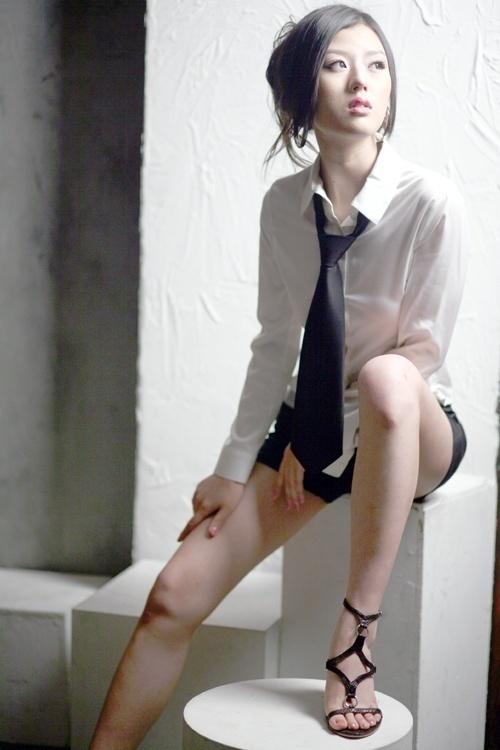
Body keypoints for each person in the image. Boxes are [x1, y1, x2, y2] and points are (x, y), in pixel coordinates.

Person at [89, 4, 470, 747]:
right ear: (300, 91)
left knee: (389, 377)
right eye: (337, 64)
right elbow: (274, 343)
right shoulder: (281, 207)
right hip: (311, 428)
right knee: (171, 596)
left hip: (409, 426)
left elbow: (423, 354)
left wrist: (324, 435)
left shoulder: (431, 202)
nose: (361, 81)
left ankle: (355, 637)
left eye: (377, 65)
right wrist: (235, 467)